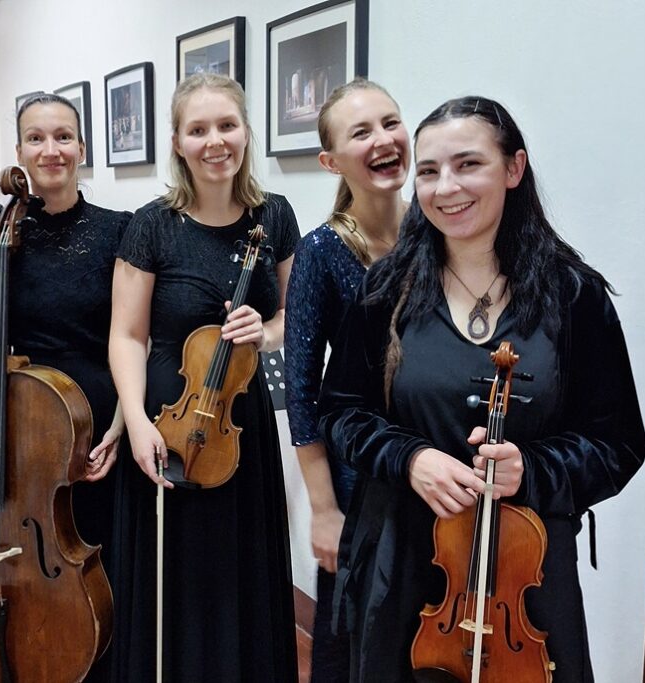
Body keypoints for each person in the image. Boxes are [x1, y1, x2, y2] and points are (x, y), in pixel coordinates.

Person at [317, 96, 645, 683]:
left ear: (514, 169)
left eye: (469, 164)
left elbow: (619, 443)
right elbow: (341, 412)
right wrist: (410, 458)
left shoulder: (573, 297)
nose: (447, 188)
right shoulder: (386, 290)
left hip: (528, 577)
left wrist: (534, 470)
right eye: (429, 170)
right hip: (406, 563)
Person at [108, 73, 299, 681]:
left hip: (243, 425)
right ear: (178, 141)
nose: (215, 141)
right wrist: (136, 422)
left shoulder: (276, 215)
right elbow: (128, 336)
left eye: (227, 125)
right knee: (174, 572)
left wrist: (263, 332)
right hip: (167, 421)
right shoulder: (152, 224)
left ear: (246, 132)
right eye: (198, 129)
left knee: (239, 567)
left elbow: (292, 318)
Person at [0, 92, 131, 681]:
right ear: (19, 152)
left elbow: (133, 339)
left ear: (82, 149)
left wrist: (120, 428)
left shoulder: (121, 232)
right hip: (24, 423)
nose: (50, 150)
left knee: (101, 555)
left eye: (63, 137)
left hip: (99, 423)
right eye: (36, 138)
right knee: (26, 554)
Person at [283, 77, 409, 683]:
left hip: (434, 462)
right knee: (355, 636)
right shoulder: (321, 251)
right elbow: (303, 394)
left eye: (391, 122)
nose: (384, 140)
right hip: (357, 470)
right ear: (331, 160)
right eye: (362, 132)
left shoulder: (438, 232)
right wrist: (323, 509)